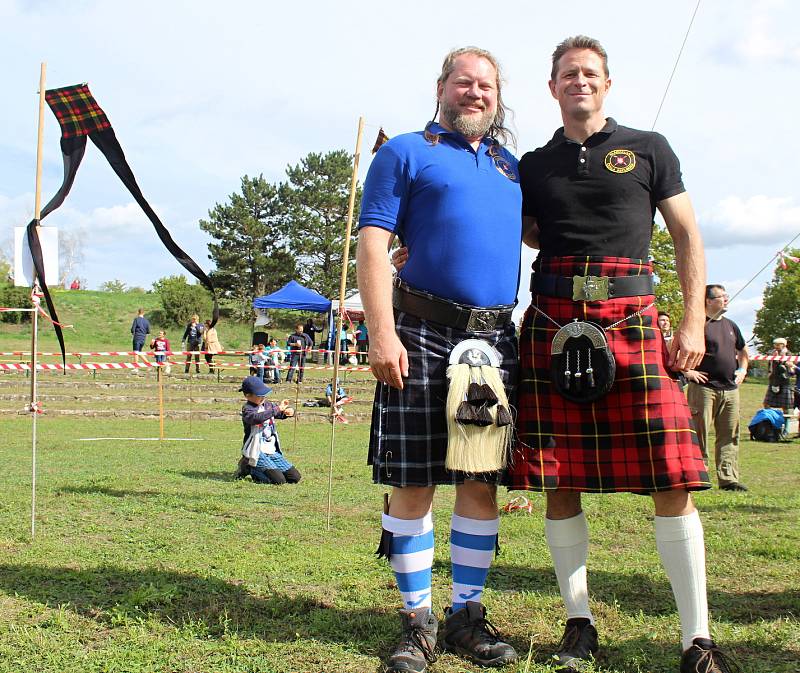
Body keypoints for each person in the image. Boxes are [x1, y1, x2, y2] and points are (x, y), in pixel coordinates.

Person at [507, 36, 738, 672]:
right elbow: (523, 230)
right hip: (555, 319)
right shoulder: (534, 164)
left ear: (607, 84)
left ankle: (698, 639)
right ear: (551, 87)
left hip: (633, 320)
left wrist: (692, 321)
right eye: (567, 74)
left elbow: (687, 234)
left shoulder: (648, 148)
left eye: (590, 73)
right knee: (558, 477)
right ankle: (578, 623)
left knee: (673, 476)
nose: (579, 81)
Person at [357, 47, 521, 673]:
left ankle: (466, 618)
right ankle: (415, 621)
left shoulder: (510, 167)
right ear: (441, 88)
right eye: (464, 83)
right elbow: (373, 245)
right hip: (419, 331)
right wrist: (380, 332)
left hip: (494, 342)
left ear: (498, 95)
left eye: (486, 85)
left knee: (480, 481)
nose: (475, 93)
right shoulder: (403, 150)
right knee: (415, 481)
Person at [684, 284, 750, 492]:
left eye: (726, 296)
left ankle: (728, 478)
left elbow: (743, 351)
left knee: (729, 434)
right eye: (722, 297)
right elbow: (678, 353)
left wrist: (742, 370)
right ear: (709, 301)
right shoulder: (697, 325)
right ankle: (699, 475)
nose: (726, 300)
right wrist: (688, 372)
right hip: (703, 389)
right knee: (699, 433)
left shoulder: (731, 325)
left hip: (730, 389)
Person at [234, 376, 301, 485]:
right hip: (256, 451)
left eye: (263, 394)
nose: (263, 397)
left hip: (271, 449)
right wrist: (277, 409)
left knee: (294, 477)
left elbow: (279, 413)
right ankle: (250, 468)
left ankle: (268, 469)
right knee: (279, 481)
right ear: (247, 395)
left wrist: (289, 412)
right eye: (259, 395)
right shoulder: (247, 409)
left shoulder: (268, 405)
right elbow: (257, 418)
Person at [762, 337, 796, 437]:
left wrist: (785, 362)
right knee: (766, 404)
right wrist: (769, 371)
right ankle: (770, 425)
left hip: (784, 382)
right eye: (775, 345)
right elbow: (770, 364)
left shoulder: (788, 354)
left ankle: (785, 429)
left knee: (786, 407)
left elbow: (792, 369)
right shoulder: (772, 353)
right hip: (773, 381)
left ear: (784, 345)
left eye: (778, 345)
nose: (776, 347)